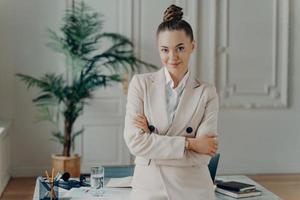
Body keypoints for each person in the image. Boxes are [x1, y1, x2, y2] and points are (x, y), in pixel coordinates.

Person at [124, 4, 219, 200]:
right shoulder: (140, 84)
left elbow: (205, 153)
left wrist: (153, 138)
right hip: (149, 187)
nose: (172, 57)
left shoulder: (207, 92)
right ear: (158, 49)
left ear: (193, 46)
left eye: (180, 48)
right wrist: (189, 144)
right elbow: (135, 143)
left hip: (194, 187)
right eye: (165, 50)